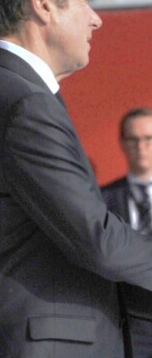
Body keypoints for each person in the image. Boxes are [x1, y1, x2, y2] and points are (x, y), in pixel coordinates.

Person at [0, 0, 152, 357]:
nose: (96, 20)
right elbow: (99, 241)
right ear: (43, 3)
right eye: (84, 1)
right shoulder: (23, 103)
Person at [102, 107, 152, 357]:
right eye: (133, 139)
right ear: (122, 143)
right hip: (130, 323)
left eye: (148, 139)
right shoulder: (101, 201)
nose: (141, 147)